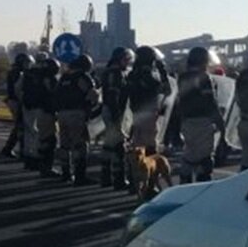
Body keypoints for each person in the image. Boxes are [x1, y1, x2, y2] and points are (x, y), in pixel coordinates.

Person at [177, 47, 226, 184]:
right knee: (205, 157)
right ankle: (202, 185)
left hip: (187, 121)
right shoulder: (204, 78)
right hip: (202, 121)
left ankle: (184, 184)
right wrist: (221, 124)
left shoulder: (183, 77)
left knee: (189, 154)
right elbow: (211, 103)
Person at [55, 54, 99, 186]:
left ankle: (66, 173)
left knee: (64, 144)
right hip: (77, 113)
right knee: (80, 144)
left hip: (62, 113)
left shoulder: (64, 77)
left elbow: (56, 94)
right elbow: (92, 94)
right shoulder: (82, 77)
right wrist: (92, 107)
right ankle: (80, 176)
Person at [20, 53, 61, 176]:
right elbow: (54, 94)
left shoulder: (31, 75)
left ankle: (35, 161)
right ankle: (46, 167)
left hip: (32, 108)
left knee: (37, 136)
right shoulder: (48, 79)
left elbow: (19, 89)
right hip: (46, 111)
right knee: (49, 139)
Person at [100, 47, 134, 189]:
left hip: (108, 109)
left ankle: (106, 176)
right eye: (126, 60)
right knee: (118, 146)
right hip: (114, 111)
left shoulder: (107, 72)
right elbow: (114, 95)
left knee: (109, 144)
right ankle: (118, 179)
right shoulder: (116, 73)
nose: (127, 63)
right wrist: (116, 115)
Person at [127, 46, 171, 155]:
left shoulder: (133, 74)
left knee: (138, 142)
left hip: (136, 111)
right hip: (149, 112)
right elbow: (165, 89)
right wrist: (163, 72)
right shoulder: (148, 74)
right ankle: (149, 167)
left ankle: (136, 168)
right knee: (150, 142)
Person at [0, 53, 32, 158]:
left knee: (19, 126)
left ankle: (9, 148)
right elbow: (17, 89)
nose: (28, 65)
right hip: (16, 101)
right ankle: (22, 150)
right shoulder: (17, 73)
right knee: (21, 125)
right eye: (26, 62)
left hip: (13, 100)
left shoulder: (15, 71)